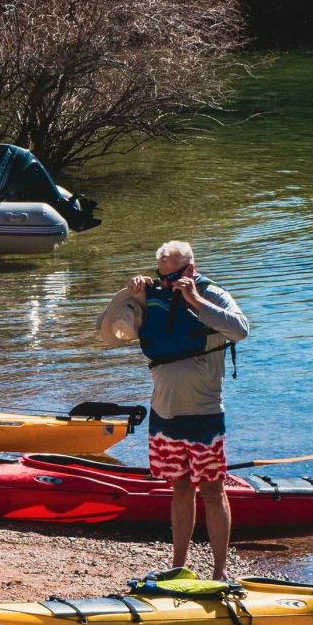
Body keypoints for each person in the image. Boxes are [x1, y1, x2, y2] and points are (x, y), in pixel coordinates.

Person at [98, 240, 249, 579]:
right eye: (161, 276)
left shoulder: (214, 295)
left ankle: (220, 571)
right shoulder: (154, 292)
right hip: (164, 414)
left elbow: (241, 329)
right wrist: (131, 293)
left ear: (191, 270)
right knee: (180, 488)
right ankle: (178, 566)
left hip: (204, 414)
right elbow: (108, 330)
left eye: (174, 277)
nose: (166, 283)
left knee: (212, 489)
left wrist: (195, 300)